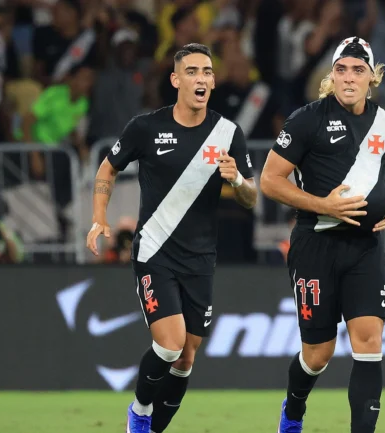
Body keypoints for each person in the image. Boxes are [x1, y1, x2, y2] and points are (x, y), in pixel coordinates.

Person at [85, 43, 257, 433]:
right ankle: (139, 412)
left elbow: (251, 197)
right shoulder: (146, 127)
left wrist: (237, 181)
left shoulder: (228, 133)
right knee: (170, 343)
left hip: (200, 259)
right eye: (193, 71)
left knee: (186, 358)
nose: (202, 78)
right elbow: (107, 169)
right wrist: (99, 218)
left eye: (208, 72)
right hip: (154, 252)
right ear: (176, 79)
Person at [260, 37, 385, 433]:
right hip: (315, 245)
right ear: (331, 76)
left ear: (373, 78)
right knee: (317, 355)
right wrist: (324, 205)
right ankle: (293, 411)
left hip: (365, 249)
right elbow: (269, 181)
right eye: (342, 69)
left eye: (358, 70)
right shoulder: (306, 119)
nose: (349, 77)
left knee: (369, 344)